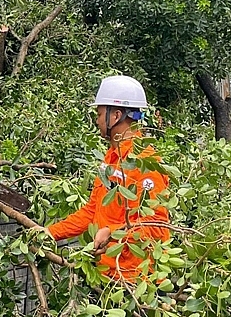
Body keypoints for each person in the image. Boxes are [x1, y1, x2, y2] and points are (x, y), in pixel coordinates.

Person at [43, 75, 171, 281]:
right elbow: (92, 211)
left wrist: (111, 232)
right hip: (107, 274)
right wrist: (49, 233)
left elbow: (157, 226)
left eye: (100, 114)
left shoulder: (146, 164)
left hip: (137, 281)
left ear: (116, 115)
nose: (97, 120)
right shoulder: (111, 158)